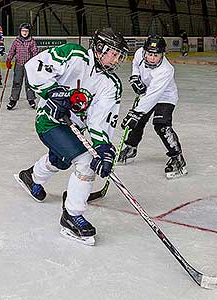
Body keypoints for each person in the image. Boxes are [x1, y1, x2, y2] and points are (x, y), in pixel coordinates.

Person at [15, 28, 128, 245]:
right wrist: (52, 91)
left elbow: (99, 119)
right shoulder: (74, 55)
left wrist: (102, 147)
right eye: (113, 53)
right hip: (49, 121)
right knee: (85, 162)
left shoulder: (111, 84)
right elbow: (35, 66)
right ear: (100, 48)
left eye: (118, 55)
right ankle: (72, 216)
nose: (117, 59)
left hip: (73, 126)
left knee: (61, 159)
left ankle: (32, 177)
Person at [118, 35, 187, 179]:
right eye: (149, 54)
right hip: (148, 93)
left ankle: (177, 158)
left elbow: (153, 96)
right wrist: (136, 77)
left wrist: (136, 112)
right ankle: (131, 148)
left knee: (161, 125)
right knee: (138, 121)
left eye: (157, 55)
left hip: (165, 96)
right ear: (144, 51)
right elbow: (136, 65)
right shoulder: (139, 53)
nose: (152, 58)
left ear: (163, 54)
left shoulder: (166, 70)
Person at [5, 23, 39, 110]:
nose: (25, 33)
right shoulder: (17, 41)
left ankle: (31, 99)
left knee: (29, 83)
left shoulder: (32, 41)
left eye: (26, 31)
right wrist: (9, 59)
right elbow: (12, 51)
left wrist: (36, 63)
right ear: (20, 31)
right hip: (19, 64)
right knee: (17, 82)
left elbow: (35, 52)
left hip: (29, 66)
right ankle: (13, 100)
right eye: (23, 31)